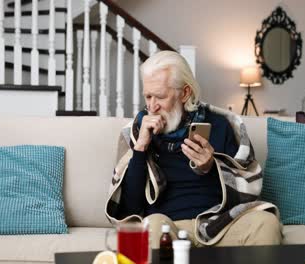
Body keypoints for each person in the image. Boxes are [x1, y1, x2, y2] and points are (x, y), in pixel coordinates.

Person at [105, 51, 281, 248]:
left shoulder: (221, 126)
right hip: (166, 227)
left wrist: (213, 168)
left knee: (266, 223)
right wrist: (140, 148)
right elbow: (129, 209)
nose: (152, 106)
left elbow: (246, 194)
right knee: (150, 227)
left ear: (185, 93)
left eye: (160, 97)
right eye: (148, 96)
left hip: (218, 225)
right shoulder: (137, 133)